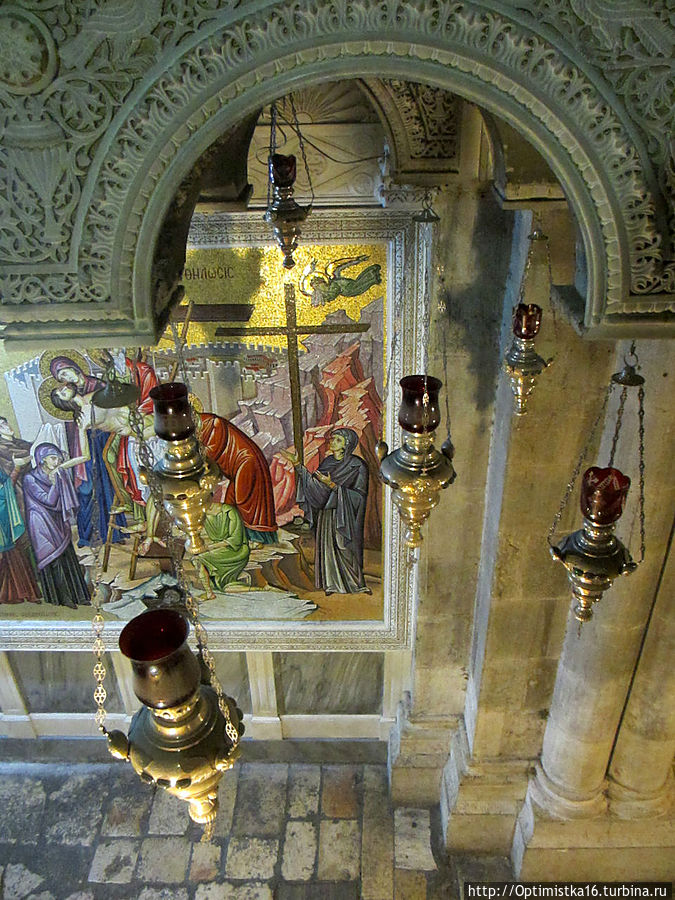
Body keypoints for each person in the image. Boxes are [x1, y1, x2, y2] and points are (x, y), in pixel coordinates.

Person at [282, 428, 369, 594]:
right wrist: (297, 465)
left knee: (343, 546)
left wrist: (332, 485)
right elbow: (314, 487)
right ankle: (330, 584)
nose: (332, 442)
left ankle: (354, 584)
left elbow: (359, 496)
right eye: (333, 439)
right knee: (328, 547)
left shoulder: (358, 466)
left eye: (338, 440)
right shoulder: (327, 463)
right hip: (327, 514)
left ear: (347, 444)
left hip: (345, 515)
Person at [23, 443, 91, 609]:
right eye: (53, 458)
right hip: (41, 523)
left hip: (58, 520)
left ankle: (79, 596)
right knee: (53, 558)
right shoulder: (30, 478)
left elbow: (65, 498)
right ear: (42, 459)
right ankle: (63, 598)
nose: (57, 462)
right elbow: (49, 500)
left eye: (58, 459)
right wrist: (54, 483)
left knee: (67, 556)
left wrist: (57, 479)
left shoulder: (58, 473)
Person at [199, 413, 278, 544]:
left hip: (246, 462)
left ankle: (257, 538)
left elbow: (214, 449)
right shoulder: (196, 428)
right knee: (231, 502)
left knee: (244, 501)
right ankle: (237, 534)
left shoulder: (213, 423)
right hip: (237, 467)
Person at [193, 502, 250, 599]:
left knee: (198, 559)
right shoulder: (202, 513)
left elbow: (235, 540)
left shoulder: (229, 511)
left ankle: (209, 593)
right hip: (219, 548)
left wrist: (209, 547)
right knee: (196, 558)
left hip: (236, 550)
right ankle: (209, 591)